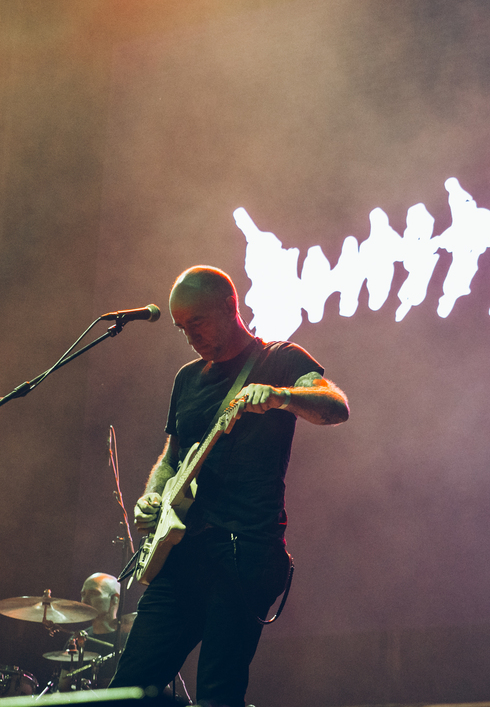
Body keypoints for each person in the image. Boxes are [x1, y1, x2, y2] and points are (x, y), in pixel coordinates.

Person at [109, 266, 349, 707]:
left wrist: (282, 397)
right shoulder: (186, 378)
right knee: (127, 692)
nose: (190, 336)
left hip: (244, 553)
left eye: (196, 322)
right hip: (182, 557)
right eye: (182, 327)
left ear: (228, 305)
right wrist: (155, 496)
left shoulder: (280, 358)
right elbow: (172, 456)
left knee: (218, 694)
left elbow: (335, 406)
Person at [57, 573, 130, 691]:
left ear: (114, 599)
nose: (84, 600)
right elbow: (63, 687)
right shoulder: (76, 640)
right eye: (83, 594)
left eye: (93, 594)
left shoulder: (130, 640)